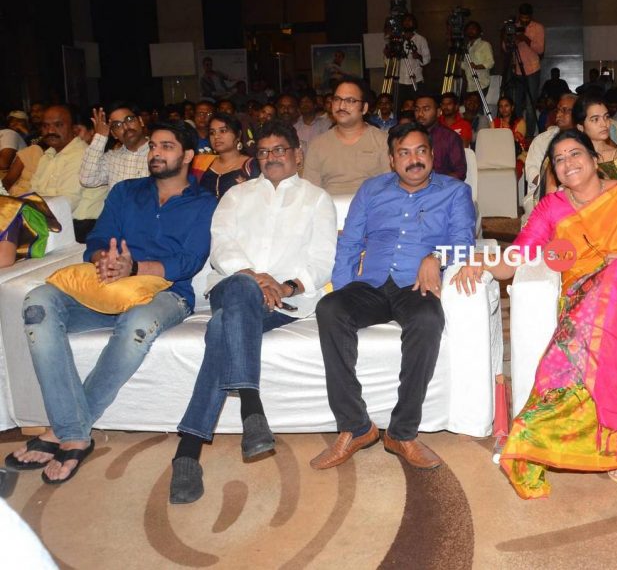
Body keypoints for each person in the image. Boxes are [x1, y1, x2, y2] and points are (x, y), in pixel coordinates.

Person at [451, 129, 617, 499]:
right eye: (560, 159)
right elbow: (517, 256)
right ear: (555, 171)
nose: (568, 163)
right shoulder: (551, 208)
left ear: (595, 160)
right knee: (606, 298)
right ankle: (586, 439)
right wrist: (482, 261)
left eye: (575, 154)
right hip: (586, 302)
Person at [5, 121, 217, 484]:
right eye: (153, 146)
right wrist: (104, 258)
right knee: (38, 303)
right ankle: (73, 431)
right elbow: (99, 238)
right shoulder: (125, 192)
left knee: (136, 324)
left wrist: (134, 267)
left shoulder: (204, 203)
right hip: (106, 287)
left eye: (166, 146)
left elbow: (190, 260)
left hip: (167, 294)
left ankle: (67, 432)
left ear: (187, 156)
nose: (155, 153)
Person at [170, 120, 336, 504]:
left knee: (222, 328)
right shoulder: (236, 195)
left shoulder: (316, 199)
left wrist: (287, 286)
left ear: (298, 154)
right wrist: (251, 276)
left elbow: (322, 259)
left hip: (284, 300)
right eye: (263, 152)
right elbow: (221, 245)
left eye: (279, 150)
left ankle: (188, 451)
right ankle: (251, 406)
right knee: (241, 290)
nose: (271, 157)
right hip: (233, 284)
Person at [311, 122, 474, 472]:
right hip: (371, 284)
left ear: (432, 155)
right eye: (404, 153)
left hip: (416, 286)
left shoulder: (455, 192)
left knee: (428, 319)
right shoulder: (371, 190)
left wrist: (436, 257)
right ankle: (356, 427)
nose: (414, 160)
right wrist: (344, 289)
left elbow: (464, 244)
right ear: (391, 159)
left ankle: (401, 433)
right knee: (330, 309)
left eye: (421, 151)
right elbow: (350, 243)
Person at [303, 77, 390, 194]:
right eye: (337, 99)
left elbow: (390, 188)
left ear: (364, 108)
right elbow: (311, 193)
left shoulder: (383, 141)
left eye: (350, 100)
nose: (341, 106)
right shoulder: (317, 145)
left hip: (372, 204)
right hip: (329, 204)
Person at [79, 102, 150, 196]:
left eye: (129, 119)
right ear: (113, 134)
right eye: (117, 125)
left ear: (140, 121)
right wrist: (100, 136)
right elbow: (87, 180)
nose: (126, 127)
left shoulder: (160, 152)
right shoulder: (111, 159)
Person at [523, 93, 576, 215]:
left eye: (565, 110)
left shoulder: (585, 140)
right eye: (558, 110)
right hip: (542, 193)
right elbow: (532, 171)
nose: (558, 114)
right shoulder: (542, 140)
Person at [190, 113, 259, 199]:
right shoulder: (202, 163)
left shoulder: (252, 166)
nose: (216, 136)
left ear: (238, 135)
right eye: (212, 132)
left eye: (223, 131)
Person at [504, 3, 545, 136]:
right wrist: (509, 39)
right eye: (522, 17)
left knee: (530, 105)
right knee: (516, 104)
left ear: (531, 16)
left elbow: (540, 49)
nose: (524, 20)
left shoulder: (538, 27)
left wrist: (525, 39)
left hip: (532, 70)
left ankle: (529, 136)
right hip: (516, 70)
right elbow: (505, 48)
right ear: (519, 15)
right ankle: (517, 133)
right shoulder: (514, 27)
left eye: (527, 17)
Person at [572, 96, 617, 180]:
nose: (604, 124)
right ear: (580, 127)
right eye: (595, 119)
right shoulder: (572, 158)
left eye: (606, 117)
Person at [413, 92, 466, 180]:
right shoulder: (409, 136)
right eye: (417, 110)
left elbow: (460, 173)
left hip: (440, 185)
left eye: (426, 109)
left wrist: (434, 182)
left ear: (438, 112)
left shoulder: (450, 137)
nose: (420, 114)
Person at [395, 14, 431, 90]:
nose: (407, 22)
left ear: (414, 23)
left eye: (409, 20)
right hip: (400, 79)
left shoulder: (421, 39)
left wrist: (418, 56)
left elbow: (427, 58)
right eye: (405, 20)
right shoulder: (398, 40)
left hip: (416, 79)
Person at [461, 21, 494, 93]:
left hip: (481, 84)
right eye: (469, 29)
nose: (471, 30)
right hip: (470, 85)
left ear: (479, 31)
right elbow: (466, 66)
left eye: (473, 28)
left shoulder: (484, 44)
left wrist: (477, 67)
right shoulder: (467, 47)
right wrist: (458, 63)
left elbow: (490, 62)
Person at [0, 112, 27, 180]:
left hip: (18, 181)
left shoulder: (8, 134)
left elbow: (3, 164)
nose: (14, 124)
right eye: (12, 121)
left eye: (18, 121)